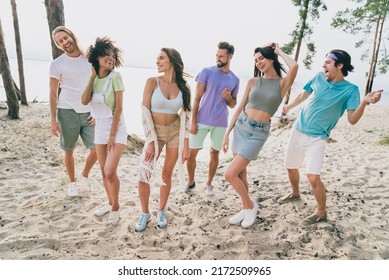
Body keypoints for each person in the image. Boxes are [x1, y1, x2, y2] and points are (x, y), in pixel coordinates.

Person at [278, 49, 383, 225]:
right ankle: (295, 193)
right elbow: (304, 94)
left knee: (312, 177)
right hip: (298, 130)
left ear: (339, 65)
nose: (323, 65)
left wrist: (364, 102)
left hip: (318, 137)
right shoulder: (318, 77)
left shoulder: (350, 90)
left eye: (328, 62)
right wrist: (290, 107)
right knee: (290, 167)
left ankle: (321, 212)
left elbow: (352, 120)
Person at [222, 43, 298, 228]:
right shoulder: (253, 82)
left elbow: (294, 66)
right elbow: (239, 107)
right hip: (241, 126)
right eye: (256, 60)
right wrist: (227, 134)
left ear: (271, 59)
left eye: (262, 58)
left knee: (229, 174)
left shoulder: (282, 83)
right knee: (240, 174)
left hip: (258, 132)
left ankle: (250, 206)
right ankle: (245, 208)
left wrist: (278, 50)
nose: (258, 63)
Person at [135, 48, 191, 232]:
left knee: (167, 173)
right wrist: (150, 140)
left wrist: (186, 144)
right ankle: (144, 213)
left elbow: (187, 116)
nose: (157, 61)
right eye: (157, 58)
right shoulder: (152, 82)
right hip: (155, 133)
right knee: (145, 173)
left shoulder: (184, 87)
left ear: (172, 61)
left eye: (161, 58)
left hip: (175, 132)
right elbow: (144, 113)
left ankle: (161, 210)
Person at [81, 37, 127, 224]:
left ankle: (116, 208)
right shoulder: (93, 79)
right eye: (106, 55)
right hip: (100, 127)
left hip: (116, 128)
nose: (110, 58)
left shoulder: (115, 77)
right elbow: (84, 101)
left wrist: (113, 135)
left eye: (112, 55)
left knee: (109, 171)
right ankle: (109, 202)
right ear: (97, 58)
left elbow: (119, 109)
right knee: (102, 169)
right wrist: (92, 77)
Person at [186, 41, 239, 196]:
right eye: (217, 55)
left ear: (230, 57)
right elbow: (196, 98)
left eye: (221, 56)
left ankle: (209, 183)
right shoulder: (206, 72)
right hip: (201, 120)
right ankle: (191, 181)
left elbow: (233, 104)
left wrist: (228, 97)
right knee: (191, 154)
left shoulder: (235, 79)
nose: (218, 59)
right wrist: (193, 121)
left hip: (221, 122)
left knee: (214, 153)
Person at [49, 26, 97, 197]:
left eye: (65, 37)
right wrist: (53, 120)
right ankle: (72, 183)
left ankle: (84, 175)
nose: (64, 42)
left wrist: (97, 111)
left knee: (96, 149)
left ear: (71, 36)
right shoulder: (57, 64)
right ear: (58, 45)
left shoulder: (90, 59)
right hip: (67, 110)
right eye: (60, 41)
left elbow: (97, 87)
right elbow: (53, 94)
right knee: (69, 149)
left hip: (88, 113)